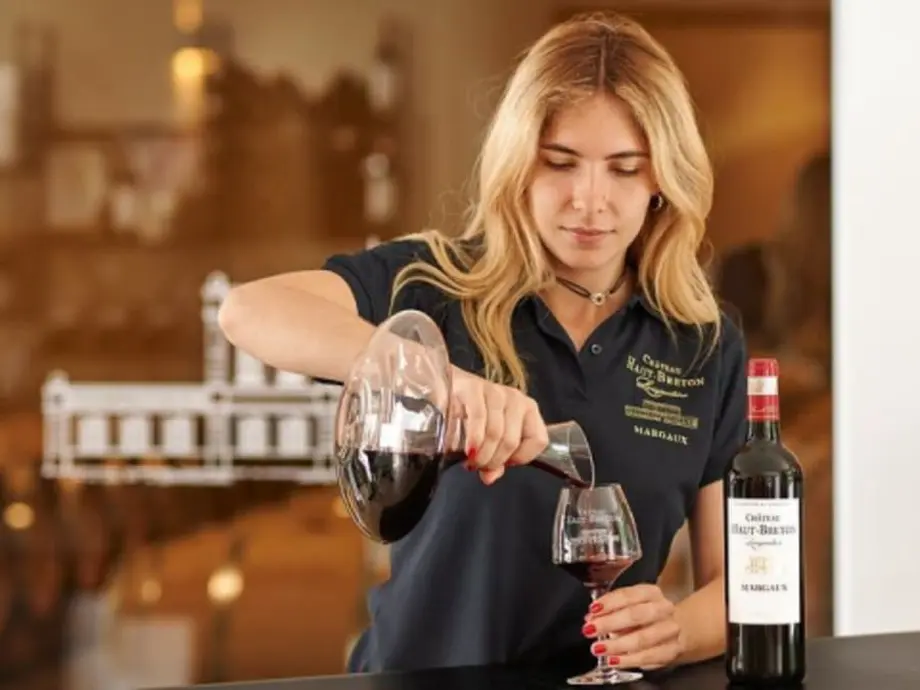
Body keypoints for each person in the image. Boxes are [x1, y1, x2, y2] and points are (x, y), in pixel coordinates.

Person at [218, 11, 747, 676]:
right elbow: (248, 311)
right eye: (560, 163)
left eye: (624, 169)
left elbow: (741, 587)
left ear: (661, 179)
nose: (590, 200)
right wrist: (439, 380)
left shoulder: (701, 343)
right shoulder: (435, 284)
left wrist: (675, 631)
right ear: (519, 165)